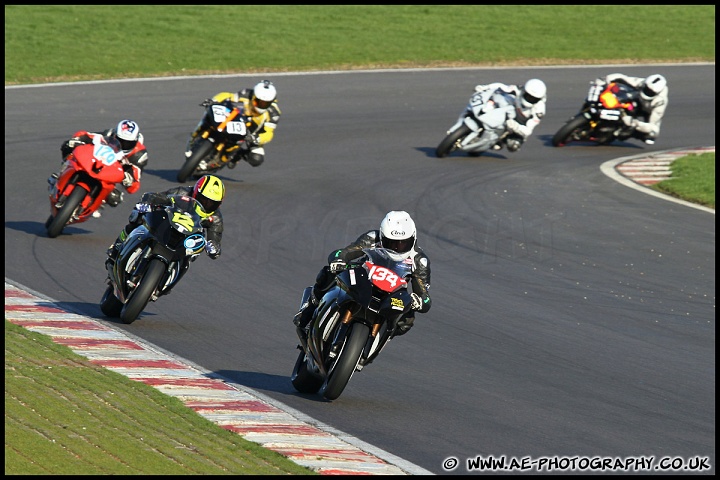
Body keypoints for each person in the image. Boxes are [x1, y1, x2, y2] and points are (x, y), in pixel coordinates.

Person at [293, 210, 431, 340]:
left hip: (392, 294)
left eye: (403, 243)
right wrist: (339, 260)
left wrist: (419, 301)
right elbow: (346, 252)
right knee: (329, 272)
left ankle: (378, 340)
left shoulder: (420, 260)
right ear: (382, 236)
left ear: (413, 238)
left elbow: (425, 297)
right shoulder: (373, 238)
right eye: (391, 243)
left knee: (407, 318)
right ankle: (309, 310)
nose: (396, 247)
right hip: (362, 279)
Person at [105, 174, 225, 279]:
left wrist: (213, 247)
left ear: (218, 204)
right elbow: (159, 197)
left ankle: (168, 281)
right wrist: (148, 203)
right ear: (195, 192)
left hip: (186, 237)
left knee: (190, 257)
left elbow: (215, 238)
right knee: (138, 216)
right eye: (203, 199)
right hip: (168, 224)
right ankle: (118, 245)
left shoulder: (216, 218)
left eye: (212, 203)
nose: (206, 204)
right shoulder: (182, 192)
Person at [48, 119, 147, 216]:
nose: (123, 145)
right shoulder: (108, 135)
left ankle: (98, 204)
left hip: (112, 173)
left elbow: (135, 184)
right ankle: (63, 171)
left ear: (135, 141)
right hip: (95, 161)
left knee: (115, 198)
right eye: (120, 140)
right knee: (67, 147)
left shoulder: (139, 154)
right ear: (115, 134)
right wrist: (77, 140)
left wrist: (129, 179)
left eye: (128, 143)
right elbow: (85, 135)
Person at [191, 79, 281, 168]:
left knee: (256, 158)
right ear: (253, 97)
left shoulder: (274, 113)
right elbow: (227, 96)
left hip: (253, 134)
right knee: (210, 116)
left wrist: (257, 138)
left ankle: (236, 155)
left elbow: (269, 133)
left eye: (266, 104)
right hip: (237, 120)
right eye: (258, 102)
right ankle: (197, 133)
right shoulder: (246, 94)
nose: (261, 105)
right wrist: (214, 101)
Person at [473, 78, 547, 152]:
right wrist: (485, 87)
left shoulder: (539, 111)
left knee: (513, 146)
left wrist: (516, 126)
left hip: (518, 125)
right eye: (528, 96)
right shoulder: (518, 89)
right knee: (497, 98)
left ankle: (500, 141)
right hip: (507, 112)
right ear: (524, 91)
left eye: (534, 99)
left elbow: (528, 130)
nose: (530, 99)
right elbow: (501, 86)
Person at [592, 73, 669, 145]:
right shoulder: (642, 82)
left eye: (650, 92)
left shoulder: (660, 102)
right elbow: (623, 78)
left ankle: (620, 132)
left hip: (648, 112)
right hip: (636, 101)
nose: (646, 91)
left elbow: (653, 126)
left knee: (651, 135)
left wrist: (635, 123)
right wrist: (606, 79)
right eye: (646, 88)